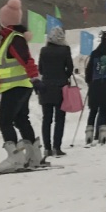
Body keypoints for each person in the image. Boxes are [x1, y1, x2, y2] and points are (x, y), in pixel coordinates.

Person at [0, 0, 43, 172]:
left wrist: (35, 78)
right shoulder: (10, 39)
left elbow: (25, 59)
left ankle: (15, 158)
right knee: (21, 119)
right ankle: (34, 156)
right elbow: (5, 63)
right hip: (21, 86)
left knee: (5, 121)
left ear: (5, 20)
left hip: (15, 87)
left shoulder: (14, 38)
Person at [38, 25, 75, 156]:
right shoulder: (65, 50)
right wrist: (63, 75)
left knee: (46, 119)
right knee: (60, 118)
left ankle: (47, 148)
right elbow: (70, 68)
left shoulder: (43, 50)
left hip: (45, 87)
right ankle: (57, 147)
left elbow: (40, 69)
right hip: (61, 88)